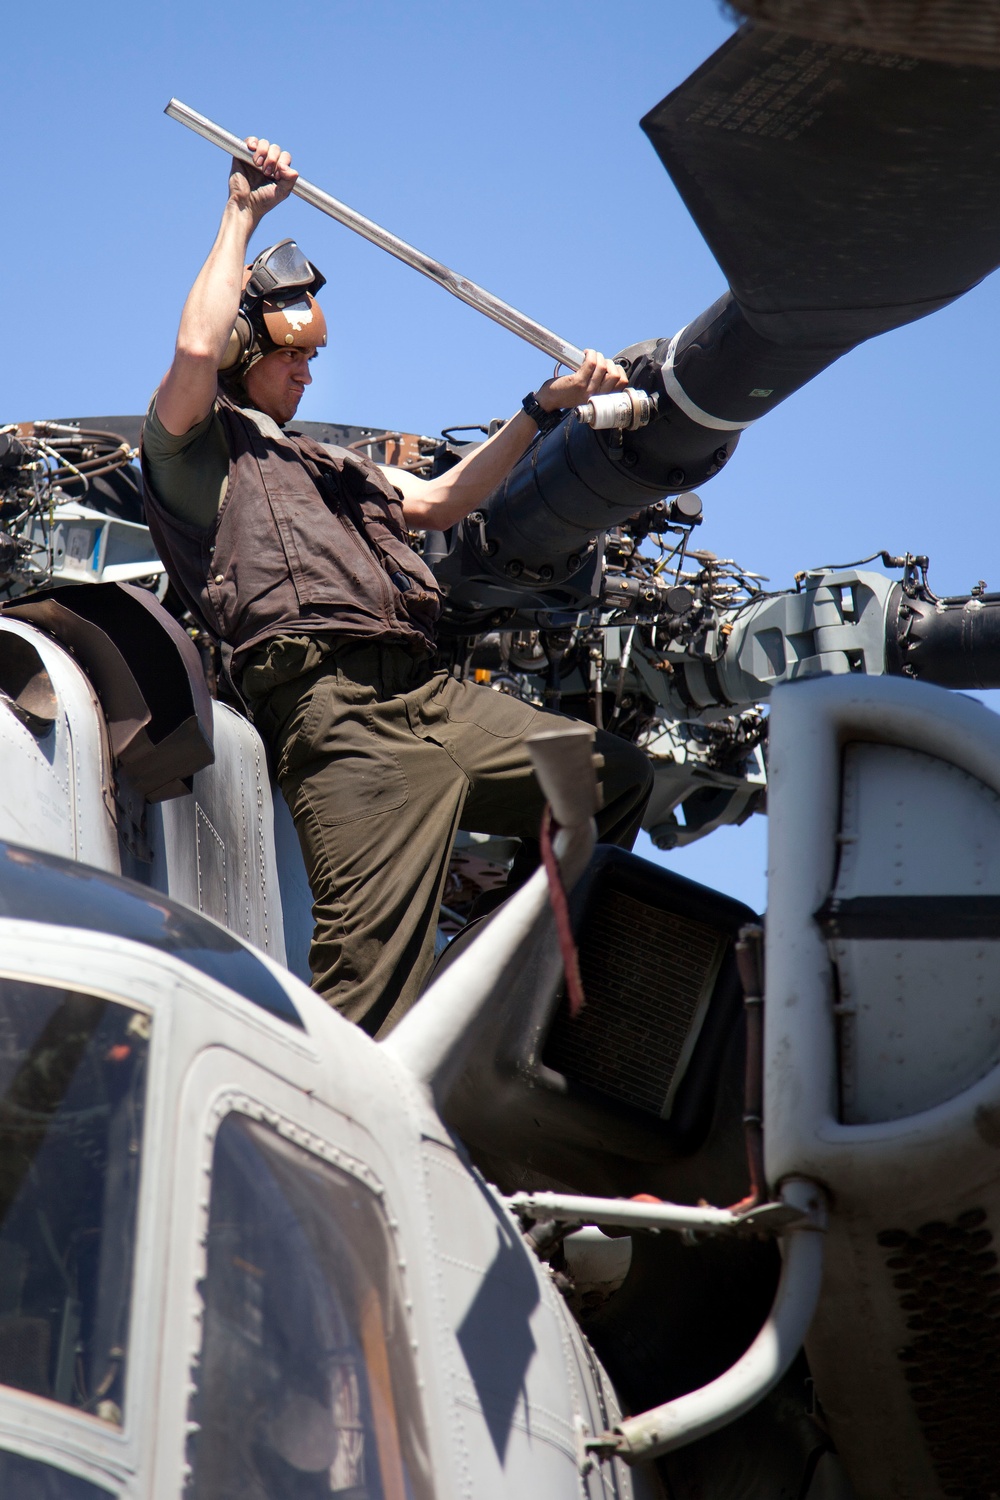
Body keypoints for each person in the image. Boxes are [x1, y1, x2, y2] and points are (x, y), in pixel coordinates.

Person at [142, 136, 652, 1035]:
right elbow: (193, 343)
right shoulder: (196, 454)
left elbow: (447, 498)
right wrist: (243, 213)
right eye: (291, 357)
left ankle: (513, 992)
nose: (308, 372)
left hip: (432, 698)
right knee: (366, 1002)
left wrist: (545, 408)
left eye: (311, 359)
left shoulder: (334, 467)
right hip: (339, 726)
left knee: (612, 778)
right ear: (244, 352)